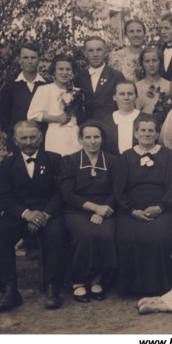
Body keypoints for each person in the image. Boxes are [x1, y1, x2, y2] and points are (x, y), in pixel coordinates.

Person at [0, 121, 65, 311]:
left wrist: (43, 215)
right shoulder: (7, 163)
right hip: (20, 213)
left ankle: (52, 287)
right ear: (15, 140)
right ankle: (9, 289)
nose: (28, 142)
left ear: (41, 138)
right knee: (1, 233)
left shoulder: (54, 159)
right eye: (23, 138)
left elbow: (60, 193)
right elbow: (4, 198)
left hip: (47, 212)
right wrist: (27, 214)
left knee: (56, 232)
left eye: (32, 137)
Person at [114, 114, 172, 294]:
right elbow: (118, 189)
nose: (147, 134)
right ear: (136, 133)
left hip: (161, 207)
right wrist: (131, 210)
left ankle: (161, 286)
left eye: (151, 130)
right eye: (143, 130)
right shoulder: (126, 156)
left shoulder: (166, 155)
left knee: (162, 236)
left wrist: (161, 207)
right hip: (132, 208)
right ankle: (132, 288)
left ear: (157, 133)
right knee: (129, 237)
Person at [59, 121, 119, 303]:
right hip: (77, 210)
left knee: (107, 234)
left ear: (102, 139)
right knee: (85, 234)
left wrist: (102, 211)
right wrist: (94, 208)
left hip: (106, 209)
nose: (92, 141)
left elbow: (117, 191)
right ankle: (78, 281)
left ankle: (96, 280)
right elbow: (67, 194)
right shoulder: (70, 160)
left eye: (96, 137)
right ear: (80, 139)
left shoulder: (112, 161)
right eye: (88, 137)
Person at [0, 41, 47, 153]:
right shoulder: (10, 85)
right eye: (25, 57)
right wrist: (14, 133)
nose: (29, 61)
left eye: (33, 57)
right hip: (18, 144)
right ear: (19, 60)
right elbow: (2, 115)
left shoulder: (46, 85)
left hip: (42, 143)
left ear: (39, 60)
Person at [27, 54, 81, 156]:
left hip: (75, 134)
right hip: (56, 135)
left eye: (68, 69)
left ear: (72, 72)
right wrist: (56, 118)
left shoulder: (77, 92)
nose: (64, 73)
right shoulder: (45, 90)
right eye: (61, 69)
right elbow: (32, 115)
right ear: (54, 71)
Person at [74, 36, 125, 121]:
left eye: (99, 50)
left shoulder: (116, 76)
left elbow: (122, 104)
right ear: (85, 54)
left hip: (110, 125)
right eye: (91, 50)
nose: (95, 55)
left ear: (106, 53)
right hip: (87, 126)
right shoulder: (79, 77)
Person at [101, 80, 141, 156]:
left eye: (130, 94)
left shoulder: (146, 119)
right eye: (122, 94)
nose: (126, 98)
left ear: (136, 96)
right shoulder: (106, 121)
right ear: (114, 97)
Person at [135, 46, 171, 114]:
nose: (151, 65)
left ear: (160, 62)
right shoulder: (136, 87)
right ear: (142, 64)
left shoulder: (169, 86)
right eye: (147, 61)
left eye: (154, 61)